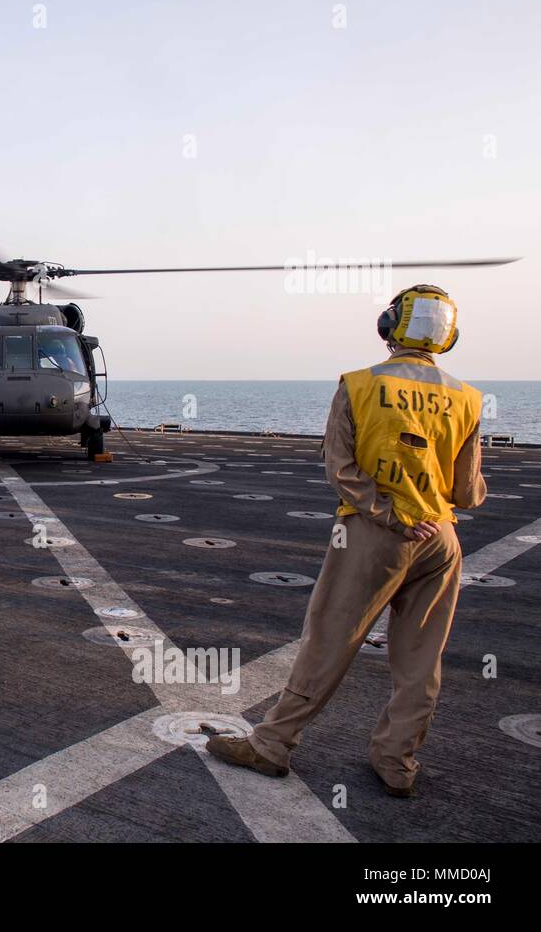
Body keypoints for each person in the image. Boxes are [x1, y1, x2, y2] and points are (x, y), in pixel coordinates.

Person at [206, 285, 486, 798]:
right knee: (422, 658)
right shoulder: (467, 397)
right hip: (441, 539)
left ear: (388, 326)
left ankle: (272, 745)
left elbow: (342, 471)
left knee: (329, 639)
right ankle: (396, 762)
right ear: (449, 335)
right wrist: (430, 503)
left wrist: (392, 513)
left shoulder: (358, 385)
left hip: (373, 533)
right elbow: (468, 493)